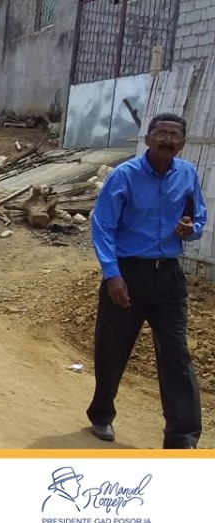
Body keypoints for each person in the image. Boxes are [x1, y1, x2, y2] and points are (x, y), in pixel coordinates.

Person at [87, 112, 206, 449]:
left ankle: (182, 436)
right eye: (161, 133)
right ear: (148, 139)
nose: (168, 140)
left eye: (174, 135)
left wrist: (190, 229)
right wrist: (112, 275)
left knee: (176, 353)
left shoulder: (187, 174)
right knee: (112, 347)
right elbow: (103, 226)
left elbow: (198, 217)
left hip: (168, 275)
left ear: (182, 142)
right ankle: (101, 414)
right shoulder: (124, 175)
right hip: (128, 273)